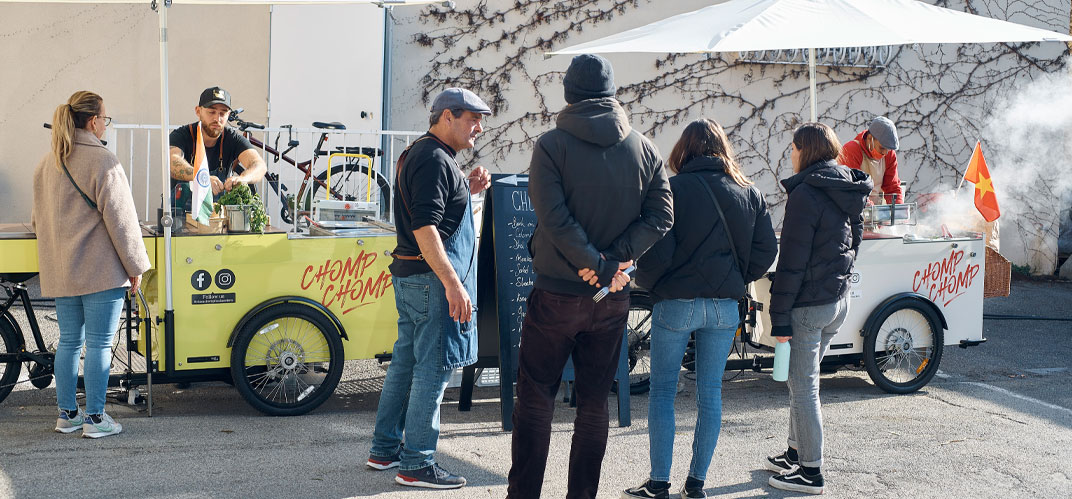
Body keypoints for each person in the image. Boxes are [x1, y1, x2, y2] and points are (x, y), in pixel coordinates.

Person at [507, 54, 674, 499]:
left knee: (537, 398)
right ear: (611, 92)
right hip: (611, 298)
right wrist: (614, 263)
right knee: (595, 402)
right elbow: (662, 215)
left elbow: (554, 218)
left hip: (558, 293)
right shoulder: (644, 148)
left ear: (568, 93)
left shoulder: (551, 145)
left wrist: (599, 265)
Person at [626, 119, 778, 499]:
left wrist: (653, 284)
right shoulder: (749, 192)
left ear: (684, 149)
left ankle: (658, 483)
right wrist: (736, 276)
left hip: (676, 303)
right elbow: (766, 251)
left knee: (662, 392)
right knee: (710, 392)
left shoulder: (672, 189)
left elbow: (655, 250)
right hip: (726, 305)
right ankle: (696, 484)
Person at [366, 88, 492, 490]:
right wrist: (453, 284)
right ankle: (417, 463)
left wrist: (466, 189)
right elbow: (425, 227)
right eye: (472, 118)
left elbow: (434, 212)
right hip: (431, 281)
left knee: (405, 364)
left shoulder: (424, 155)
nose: (479, 127)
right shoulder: (436, 159)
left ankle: (385, 449)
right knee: (433, 370)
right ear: (446, 117)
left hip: (411, 277)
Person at [31, 90, 151, 438]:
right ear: (94, 121)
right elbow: (122, 222)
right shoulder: (103, 161)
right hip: (99, 270)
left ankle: (67, 414)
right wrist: (135, 266)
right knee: (99, 344)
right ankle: (97, 419)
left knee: (69, 342)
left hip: (62, 269)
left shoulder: (47, 163)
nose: (105, 124)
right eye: (105, 118)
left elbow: (38, 222)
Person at [765, 122, 872, 494]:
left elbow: (791, 262)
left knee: (803, 387)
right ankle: (796, 453)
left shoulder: (806, 194)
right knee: (800, 384)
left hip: (808, 307)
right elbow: (855, 239)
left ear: (805, 151)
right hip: (835, 302)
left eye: (793, 148)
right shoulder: (846, 186)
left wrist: (778, 319)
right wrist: (841, 274)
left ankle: (811, 471)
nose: (790, 154)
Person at [168, 86, 266, 211]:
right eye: (211, 112)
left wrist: (242, 179)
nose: (217, 118)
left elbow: (259, 165)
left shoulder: (232, 138)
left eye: (222, 113)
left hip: (217, 216)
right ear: (198, 111)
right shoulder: (181, 135)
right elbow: (171, 162)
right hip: (179, 216)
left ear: (228, 115)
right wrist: (201, 177)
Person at [837, 116, 902, 204]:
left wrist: (899, 213)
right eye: (882, 148)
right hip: (853, 208)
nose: (885, 153)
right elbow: (853, 188)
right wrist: (870, 209)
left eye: (888, 149)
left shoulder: (889, 154)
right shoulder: (851, 150)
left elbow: (892, 187)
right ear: (869, 138)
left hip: (874, 209)